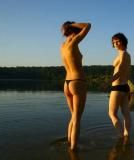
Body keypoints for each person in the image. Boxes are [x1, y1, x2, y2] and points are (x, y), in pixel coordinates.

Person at [60, 21, 91, 151]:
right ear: (74, 30)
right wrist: (73, 24)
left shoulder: (63, 46)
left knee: (73, 116)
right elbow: (88, 25)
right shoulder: (74, 41)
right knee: (77, 119)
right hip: (78, 81)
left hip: (67, 83)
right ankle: (73, 150)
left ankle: (69, 143)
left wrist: (69, 26)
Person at [108, 33, 132, 138]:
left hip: (117, 87)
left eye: (117, 41)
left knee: (112, 113)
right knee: (125, 113)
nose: (115, 43)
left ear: (123, 41)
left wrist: (107, 82)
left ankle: (120, 135)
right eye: (113, 42)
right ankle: (126, 135)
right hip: (125, 87)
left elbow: (120, 71)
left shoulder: (123, 54)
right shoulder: (126, 54)